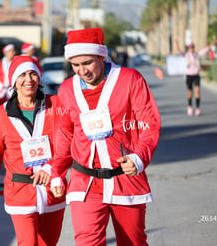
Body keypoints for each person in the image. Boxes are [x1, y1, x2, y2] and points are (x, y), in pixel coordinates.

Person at [49, 27, 161, 246]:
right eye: (76, 65)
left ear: (101, 56)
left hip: (125, 179)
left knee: (133, 242)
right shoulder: (66, 90)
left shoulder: (130, 80)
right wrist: (57, 173)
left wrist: (138, 157)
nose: (82, 71)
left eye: (88, 63)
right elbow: (63, 135)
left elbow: (149, 124)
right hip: (85, 182)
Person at [0, 55, 67, 246]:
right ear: (14, 81)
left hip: (53, 189)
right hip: (19, 191)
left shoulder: (56, 105)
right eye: (22, 75)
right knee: (27, 243)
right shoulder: (1, 115)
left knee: (48, 244)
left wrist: (51, 169)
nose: (28, 79)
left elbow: (69, 142)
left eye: (33, 74)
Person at [175, 39, 216, 116]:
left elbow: (206, 49)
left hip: (196, 75)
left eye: (193, 47)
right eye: (190, 47)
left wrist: (212, 43)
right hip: (189, 75)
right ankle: (190, 107)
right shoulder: (186, 55)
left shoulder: (197, 54)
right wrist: (177, 43)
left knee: (197, 91)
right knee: (190, 92)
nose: (192, 49)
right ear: (188, 48)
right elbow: (179, 51)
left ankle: (197, 108)